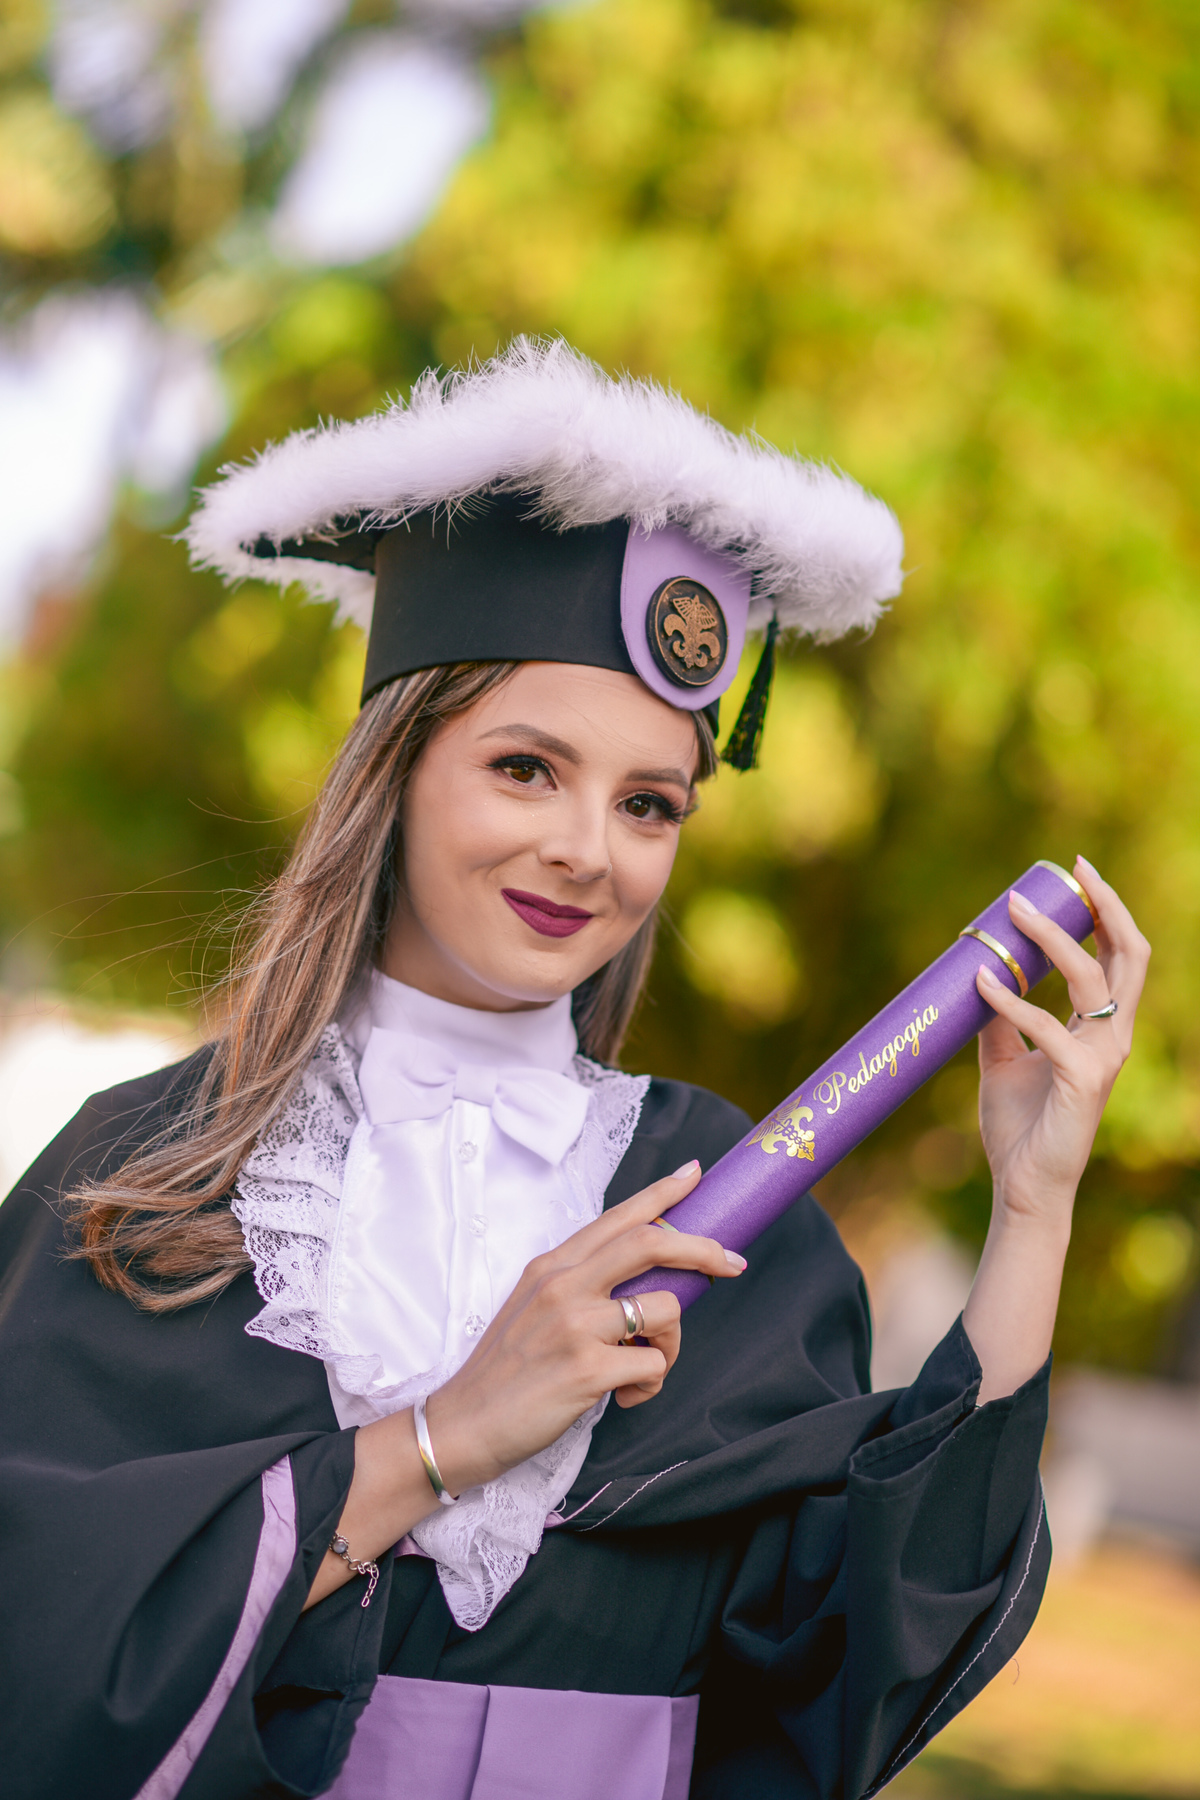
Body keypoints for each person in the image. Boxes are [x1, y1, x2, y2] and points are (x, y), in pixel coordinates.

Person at [0, 339, 1147, 1800]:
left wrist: (1032, 1211)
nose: (587, 852)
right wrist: (441, 1439)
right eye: (526, 768)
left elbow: (860, 1655)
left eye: (650, 803)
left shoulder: (727, 1210)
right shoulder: (149, 1174)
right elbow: (41, 1639)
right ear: (395, 771)